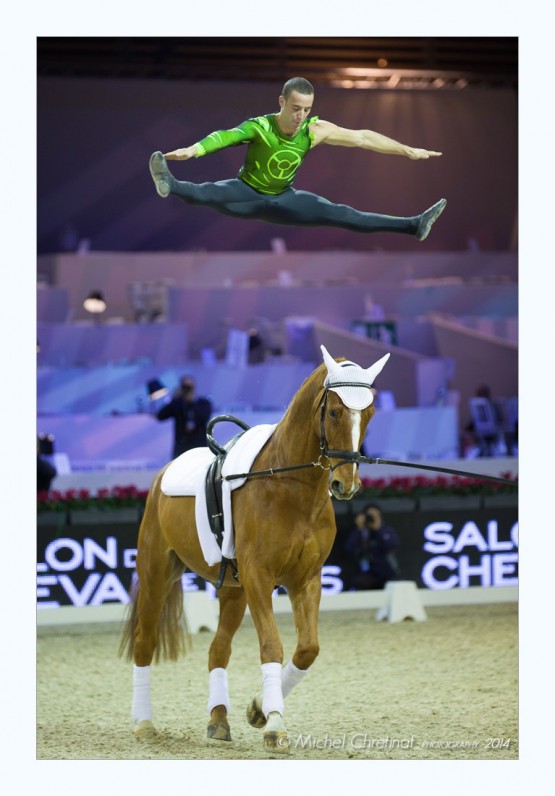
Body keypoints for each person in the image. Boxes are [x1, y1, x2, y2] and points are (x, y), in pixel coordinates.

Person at [149, 76, 447, 240]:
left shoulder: (314, 130)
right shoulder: (260, 127)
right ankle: (168, 183)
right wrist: (194, 150)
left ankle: (413, 225)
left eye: (306, 109)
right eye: (295, 108)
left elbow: (363, 137)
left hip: (285, 200)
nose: (300, 116)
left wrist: (407, 150)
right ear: (282, 101)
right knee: (207, 192)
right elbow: (224, 136)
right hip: (246, 194)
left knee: (344, 214)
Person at [344, 503, 401, 590]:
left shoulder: (386, 530)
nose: (372, 518)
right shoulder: (362, 532)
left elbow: (392, 546)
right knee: (359, 583)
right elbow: (349, 548)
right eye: (369, 516)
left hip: (388, 571)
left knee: (397, 585)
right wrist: (359, 529)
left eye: (375, 515)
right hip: (369, 572)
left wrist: (378, 529)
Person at [154, 376, 212, 458]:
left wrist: (191, 401)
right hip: (181, 449)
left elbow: (205, 417)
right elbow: (160, 416)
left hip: (199, 448)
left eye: (189, 387)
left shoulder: (203, 403)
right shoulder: (177, 404)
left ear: (194, 386)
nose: (187, 390)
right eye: (185, 387)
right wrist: (174, 399)